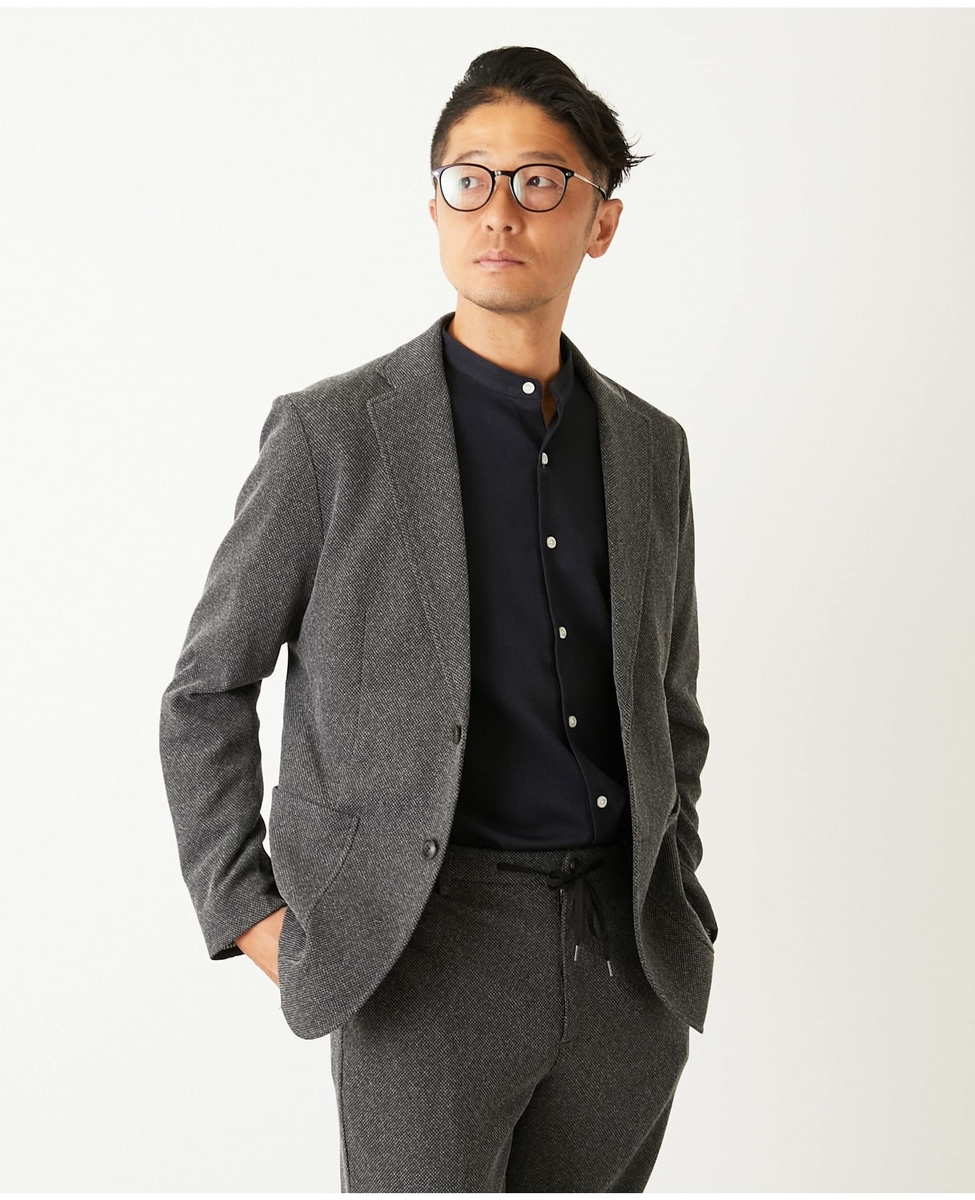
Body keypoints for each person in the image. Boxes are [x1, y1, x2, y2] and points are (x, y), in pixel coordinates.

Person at [159, 44, 718, 1193]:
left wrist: (679, 895)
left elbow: (671, 706)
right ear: (436, 209)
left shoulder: (650, 449)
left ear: (601, 222)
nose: (500, 210)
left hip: (623, 968)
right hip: (421, 954)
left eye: (540, 181)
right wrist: (255, 917)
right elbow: (207, 690)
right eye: (471, 179)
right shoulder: (333, 437)